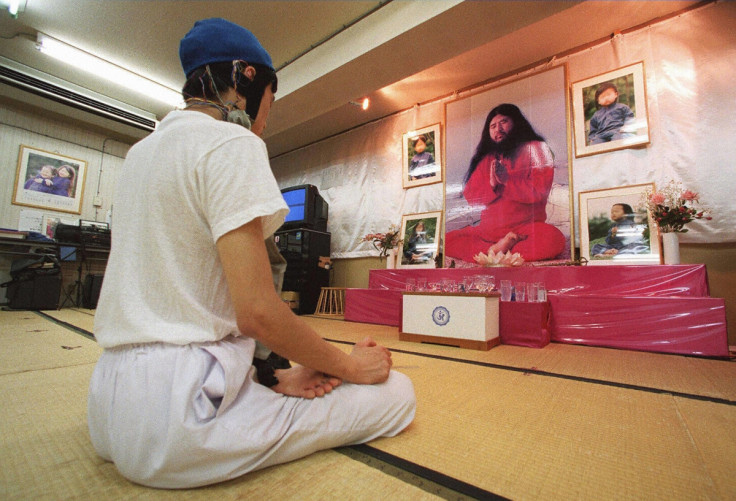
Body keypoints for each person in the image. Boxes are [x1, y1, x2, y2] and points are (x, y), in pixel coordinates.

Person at [87, 18, 415, 489]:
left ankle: (264, 387)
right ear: (247, 80)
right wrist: (346, 364)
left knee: (284, 382)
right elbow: (257, 313)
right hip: (184, 415)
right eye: (270, 103)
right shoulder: (231, 142)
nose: (266, 119)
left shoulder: (140, 153)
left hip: (108, 404)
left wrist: (275, 376)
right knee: (397, 393)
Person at [444, 103, 565, 263]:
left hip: (524, 231)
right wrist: (493, 186)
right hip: (487, 232)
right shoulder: (487, 158)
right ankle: (498, 249)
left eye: (504, 122)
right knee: (447, 241)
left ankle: (491, 253)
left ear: (516, 122)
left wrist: (507, 182)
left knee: (553, 240)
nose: (497, 129)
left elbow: (539, 191)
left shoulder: (537, 149)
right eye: (492, 126)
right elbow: (472, 197)